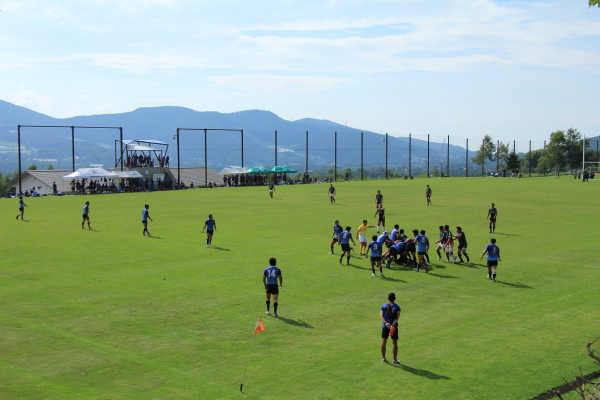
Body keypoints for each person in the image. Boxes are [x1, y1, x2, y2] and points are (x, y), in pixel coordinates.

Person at [380, 292, 401, 364]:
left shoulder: (383, 306)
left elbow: (381, 316)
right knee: (394, 343)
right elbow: (397, 318)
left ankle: (383, 358)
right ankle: (394, 359)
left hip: (385, 327)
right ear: (395, 298)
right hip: (393, 328)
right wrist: (392, 325)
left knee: (383, 342)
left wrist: (386, 323)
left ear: (388, 298)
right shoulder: (397, 307)